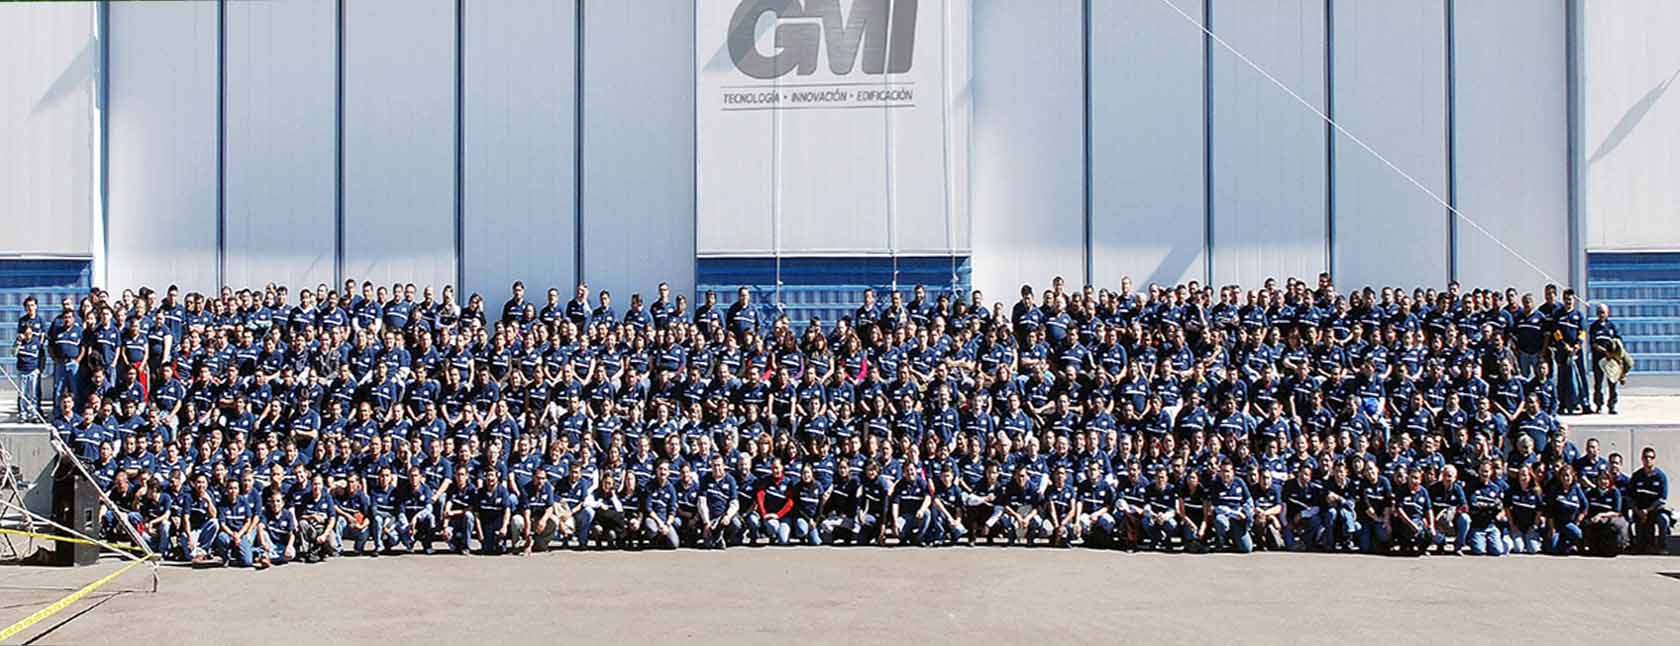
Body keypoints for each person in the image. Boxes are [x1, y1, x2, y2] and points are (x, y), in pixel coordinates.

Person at [1628, 446, 1671, 554]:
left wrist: (1648, 510)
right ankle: (1634, 544)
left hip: (1655, 510)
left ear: (1654, 459)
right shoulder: (1637, 475)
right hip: (1639, 511)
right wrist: (1637, 510)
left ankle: (1662, 546)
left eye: (1651, 457)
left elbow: (1662, 499)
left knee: (1664, 519)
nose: (1648, 460)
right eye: (1646, 457)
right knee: (1641, 546)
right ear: (1642, 459)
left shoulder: (1661, 476)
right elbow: (1631, 497)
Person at [1587, 303, 1625, 414]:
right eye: (1599, 312)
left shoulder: (1612, 326)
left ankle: (1612, 405)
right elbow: (1593, 343)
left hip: (1611, 360)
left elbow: (1618, 341)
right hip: (1598, 359)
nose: (1601, 314)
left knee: (1612, 383)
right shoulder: (1594, 326)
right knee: (1598, 384)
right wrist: (1604, 352)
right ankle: (1598, 405)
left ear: (1607, 313)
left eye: (1603, 312)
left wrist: (1613, 354)